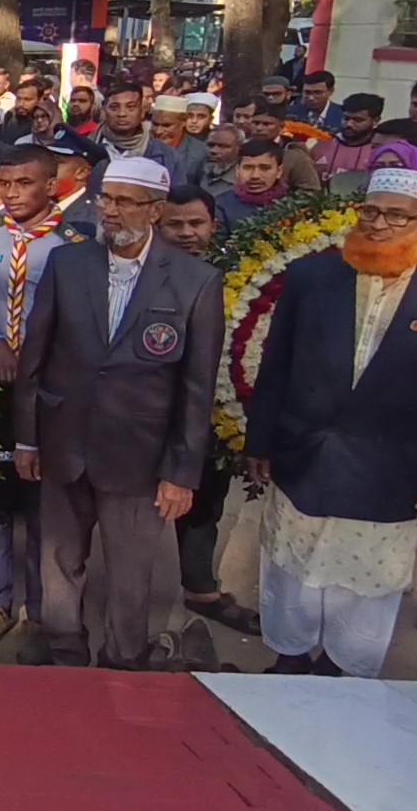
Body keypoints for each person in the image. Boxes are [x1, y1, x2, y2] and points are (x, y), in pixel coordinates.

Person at [247, 169, 417, 677]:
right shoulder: (313, 277)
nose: (378, 224)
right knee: (292, 565)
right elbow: (276, 366)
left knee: (365, 580)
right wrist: (260, 441)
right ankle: (290, 657)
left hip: (392, 472)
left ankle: (341, 671)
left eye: (397, 216)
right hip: (304, 458)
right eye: (370, 211)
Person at [12, 158, 223, 670]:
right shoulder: (68, 263)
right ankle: (64, 651)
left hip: (139, 456)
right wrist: (27, 438)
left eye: (125, 201)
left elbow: (197, 388)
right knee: (60, 561)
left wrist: (182, 473)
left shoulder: (195, 281)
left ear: (155, 211)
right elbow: (35, 357)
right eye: (106, 198)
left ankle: (123, 660)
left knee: (130, 571)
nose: (109, 210)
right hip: (64, 442)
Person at [0, 146, 89, 651]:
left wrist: (33, 355)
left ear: (51, 186)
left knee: (43, 503)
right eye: (6, 183)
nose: (12, 194)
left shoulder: (75, 246)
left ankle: (39, 611)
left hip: (49, 390)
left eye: (25, 184)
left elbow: (82, 319)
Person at [156, 186, 261, 635]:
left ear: (213, 226)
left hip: (213, 410)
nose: (187, 233)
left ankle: (200, 588)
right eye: (175, 224)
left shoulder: (241, 274)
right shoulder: (142, 272)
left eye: (196, 223)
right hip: (147, 412)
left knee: (204, 501)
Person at [92, 83, 180, 185]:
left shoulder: (167, 155)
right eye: (114, 108)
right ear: (104, 109)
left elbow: (178, 193)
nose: (122, 114)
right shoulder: (87, 147)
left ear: (142, 110)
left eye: (131, 107)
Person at [312, 93, 386, 187]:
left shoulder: (381, 151)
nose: (349, 124)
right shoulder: (323, 143)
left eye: (358, 120)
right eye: (346, 118)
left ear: (376, 120)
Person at [214, 140, 290, 232]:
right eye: (248, 167)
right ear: (237, 170)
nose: (255, 176)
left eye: (265, 168)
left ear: (279, 171)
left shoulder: (294, 204)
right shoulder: (219, 205)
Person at [149, 96, 206, 182]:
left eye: (166, 125)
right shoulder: (142, 146)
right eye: (155, 124)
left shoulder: (200, 153)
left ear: (184, 122)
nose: (158, 131)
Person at [200, 124, 243, 198]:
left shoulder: (243, 180)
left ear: (239, 148)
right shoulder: (199, 171)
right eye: (210, 145)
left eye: (223, 146)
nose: (213, 151)